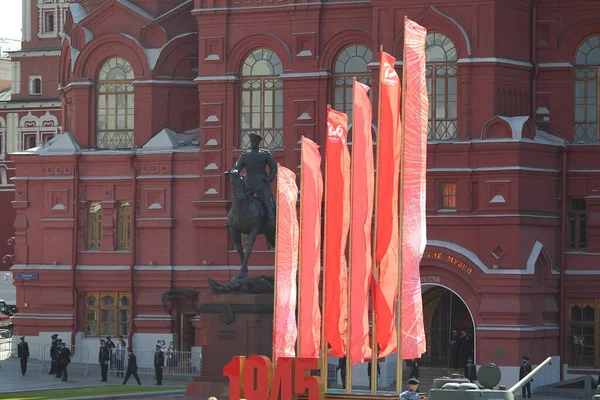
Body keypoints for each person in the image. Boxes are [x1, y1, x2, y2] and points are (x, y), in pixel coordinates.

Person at [232, 133, 278, 228]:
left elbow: (274, 168)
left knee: (269, 202)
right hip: (248, 183)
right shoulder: (245, 154)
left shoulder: (265, 154)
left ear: (258, 142)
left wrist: (269, 178)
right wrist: (235, 171)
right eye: (251, 141)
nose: (252, 143)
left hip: (261, 183)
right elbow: (237, 167)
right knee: (239, 200)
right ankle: (232, 220)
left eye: (254, 141)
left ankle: (271, 221)